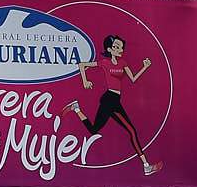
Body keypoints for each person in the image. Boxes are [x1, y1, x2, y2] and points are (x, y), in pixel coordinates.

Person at [66, 34, 159, 178]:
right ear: (109, 49)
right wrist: (85, 81)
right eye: (116, 47)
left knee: (94, 129)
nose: (119, 49)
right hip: (109, 99)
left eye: (121, 47)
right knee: (131, 131)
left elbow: (133, 79)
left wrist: (144, 67)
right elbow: (82, 65)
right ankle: (146, 166)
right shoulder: (105, 63)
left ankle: (76, 108)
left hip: (115, 100)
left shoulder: (123, 63)